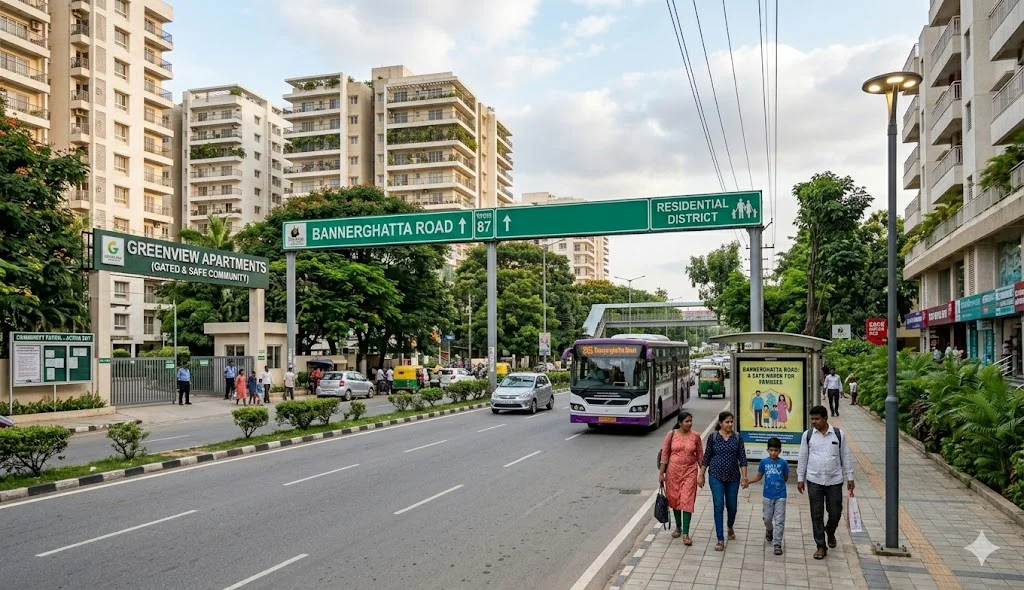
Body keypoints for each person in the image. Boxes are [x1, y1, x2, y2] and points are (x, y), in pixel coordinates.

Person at [797, 405, 855, 561]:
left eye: (817, 419)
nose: (814, 422)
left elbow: (845, 456)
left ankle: (830, 531)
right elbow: (803, 457)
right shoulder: (808, 435)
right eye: (812, 419)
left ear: (825, 418)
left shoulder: (838, 434)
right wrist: (800, 478)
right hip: (814, 480)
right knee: (816, 514)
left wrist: (850, 476)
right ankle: (821, 546)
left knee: (835, 511)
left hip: (834, 480)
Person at [698, 411, 749, 551]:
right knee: (718, 505)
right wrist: (701, 474)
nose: (730, 424)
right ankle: (720, 539)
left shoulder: (737, 437)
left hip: (733, 477)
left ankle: (730, 526)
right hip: (716, 476)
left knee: (732, 506)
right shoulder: (713, 437)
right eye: (727, 422)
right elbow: (706, 457)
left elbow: (742, 458)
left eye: (731, 421)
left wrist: (744, 477)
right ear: (720, 423)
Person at [658, 412, 703, 545]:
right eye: (687, 421)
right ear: (680, 423)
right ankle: (678, 527)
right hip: (673, 473)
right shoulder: (671, 434)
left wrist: (702, 474)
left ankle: (686, 534)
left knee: (687, 501)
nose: (689, 423)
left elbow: (700, 456)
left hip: (690, 472)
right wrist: (661, 474)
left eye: (690, 421)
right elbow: (664, 455)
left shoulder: (695, 436)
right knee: (675, 499)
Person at [749, 437, 790, 555]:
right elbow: (759, 477)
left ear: (780, 451)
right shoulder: (764, 462)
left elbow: (785, 477)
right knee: (767, 518)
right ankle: (769, 529)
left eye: (776, 450)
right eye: (771, 450)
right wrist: (748, 481)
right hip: (767, 496)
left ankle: (777, 544)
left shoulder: (783, 463)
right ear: (767, 450)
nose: (773, 453)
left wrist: (779, 486)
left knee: (779, 520)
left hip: (780, 495)